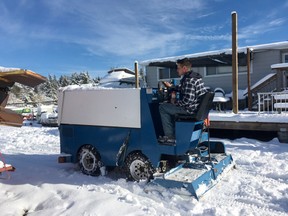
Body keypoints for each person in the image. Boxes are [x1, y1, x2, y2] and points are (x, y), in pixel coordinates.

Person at [158, 58, 207, 143]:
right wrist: (172, 87)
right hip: (196, 108)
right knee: (169, 107)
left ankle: (170, 137)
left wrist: (175, 102)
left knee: (162, 108)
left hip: (189, 109)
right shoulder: (195, 77)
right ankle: (174, 132)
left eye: (178, 68)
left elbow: (188, 100)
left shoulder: (189, 80)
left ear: (184, 68)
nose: (177, 70)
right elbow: (184, 89)